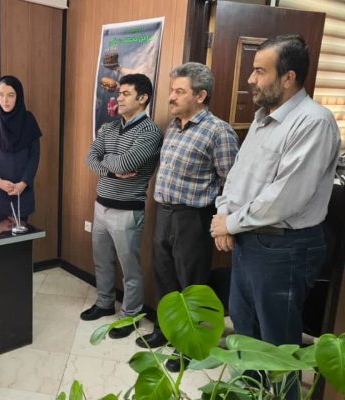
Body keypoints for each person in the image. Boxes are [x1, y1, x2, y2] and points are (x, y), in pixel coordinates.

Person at [211, 34, 340, 395]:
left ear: (288, 77)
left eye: (259, 71)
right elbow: (238, 175)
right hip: (249, 241)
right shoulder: (261, 119)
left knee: (278, 347)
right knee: (246, 333)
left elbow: (285, 197)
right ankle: (249, 392)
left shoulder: (313, 122)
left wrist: (230, 222)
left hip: (285, 247)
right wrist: (224, 214)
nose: (250, 79)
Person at [136, 63, 239, 371]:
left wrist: (225, 221)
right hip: (164, 213)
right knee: (164, 276)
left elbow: (232, 181)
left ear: (200, 95)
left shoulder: (218, 131)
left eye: (179, 91)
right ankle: (164, 330)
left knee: (191, 284)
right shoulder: (173, 127)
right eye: (172, 90)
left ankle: (189, 347)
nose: (171, 97)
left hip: (193, 218)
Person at [80, 74, 163, 339]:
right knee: (102, 261)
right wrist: (112, 169)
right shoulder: (109, 127)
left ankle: (130, 316)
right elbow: (90, 158)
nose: (119, 98)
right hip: (101, 206)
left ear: (143, 98)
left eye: (126, 94)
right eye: (119, 93)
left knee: (130, 269)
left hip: (128, 211)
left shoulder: (151, 132)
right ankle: (105, 303)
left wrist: (107, 161)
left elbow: (127, 163)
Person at [0, 75, 41, 223]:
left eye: (10, 95)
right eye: (1, 94)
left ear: (18, 96)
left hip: (21, 193)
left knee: (20, 237)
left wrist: (23, 183)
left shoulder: (29, 121)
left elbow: (34, 156)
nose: (5, 100)